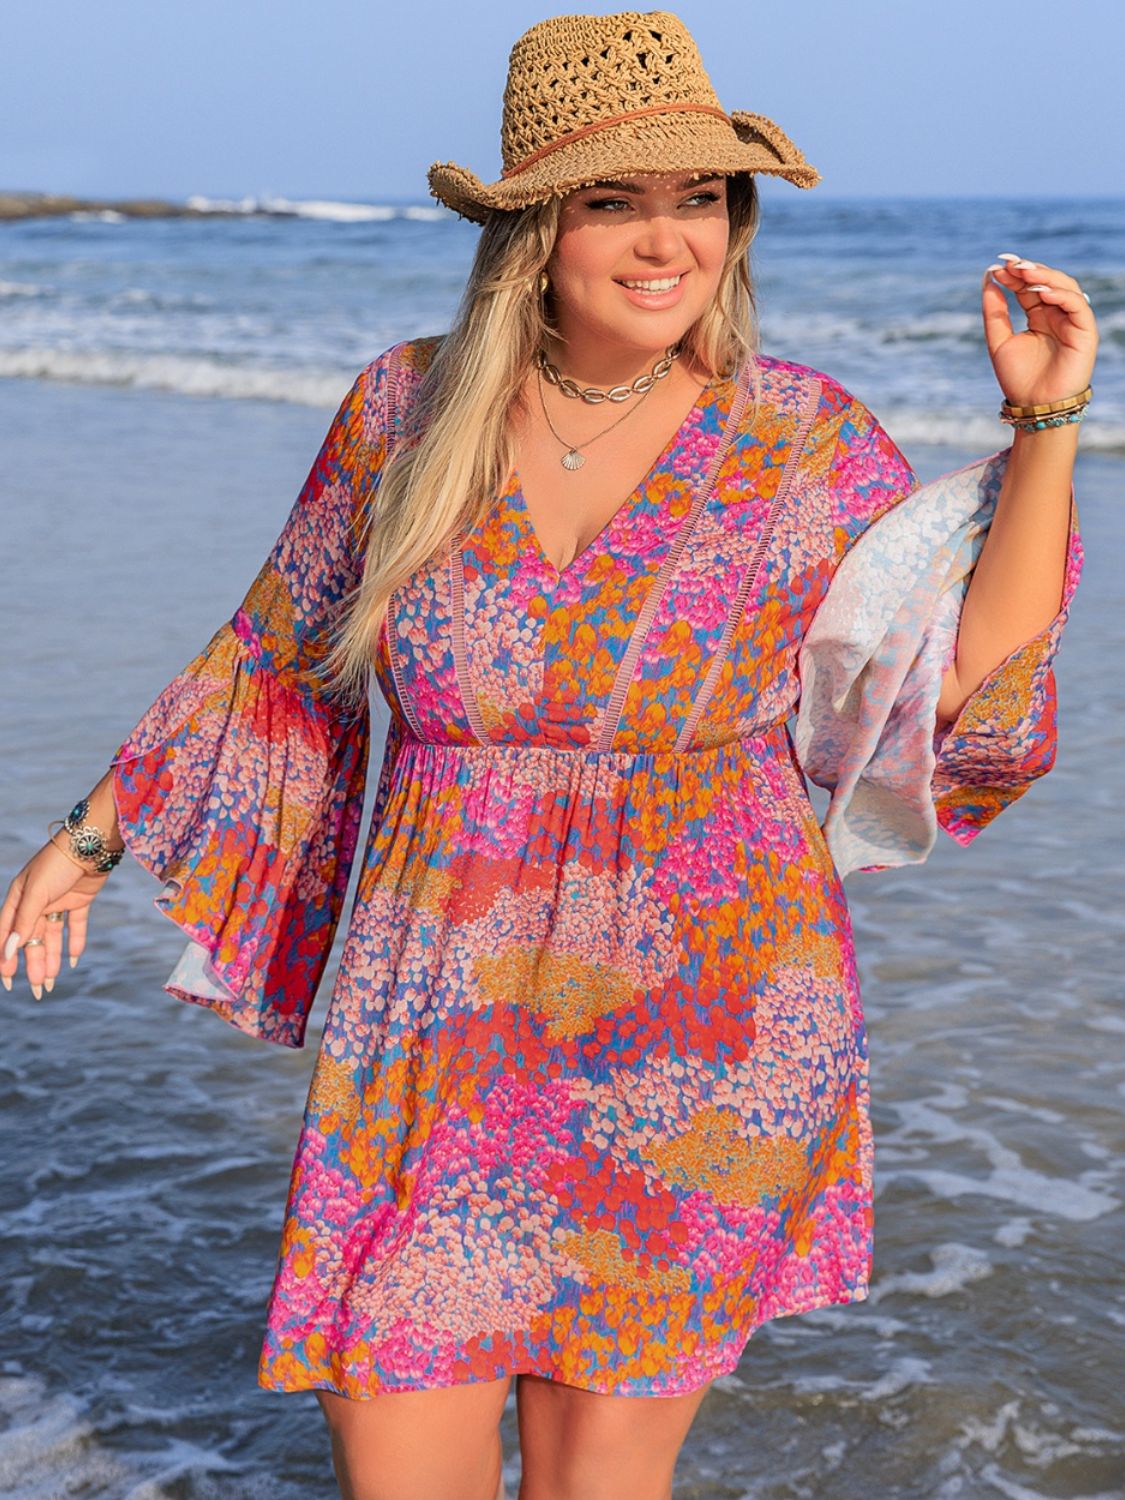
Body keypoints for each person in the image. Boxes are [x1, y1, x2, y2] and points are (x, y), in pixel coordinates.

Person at [1, 10, 1096, 1500]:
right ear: (533, 229)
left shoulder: (801, 438)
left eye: (699, 198)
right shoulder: (406, 409)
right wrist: (90, 834)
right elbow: (277, 650)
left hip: (703, 1017)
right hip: (433, 1012)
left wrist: (1043, 418)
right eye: (615, 200)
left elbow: (960, 679)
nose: (666, 241)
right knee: (393, 1438)